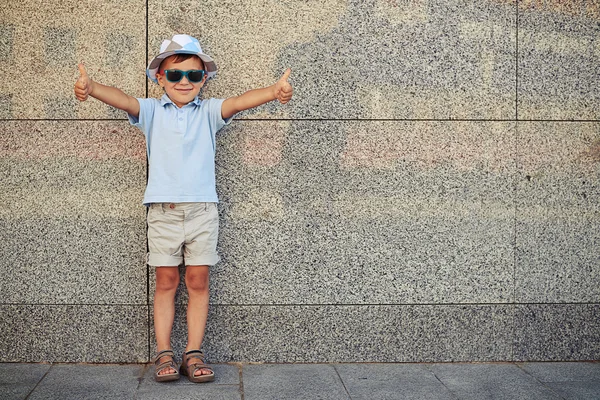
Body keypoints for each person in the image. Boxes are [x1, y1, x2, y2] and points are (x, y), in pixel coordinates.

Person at [74, 34, 293, 383]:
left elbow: (237, 103)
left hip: (203, 212)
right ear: (160, 78)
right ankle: (164, 353)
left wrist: (273, 91)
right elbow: (124, 101)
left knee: (198, 279)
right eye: (175, 75)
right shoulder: (150, 111)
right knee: (166, 280)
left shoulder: (207, 112)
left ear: (204, 78)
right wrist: (93, 86)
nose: (184, 82)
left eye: (193, 75)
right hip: (163, 212)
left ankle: (193, 352)